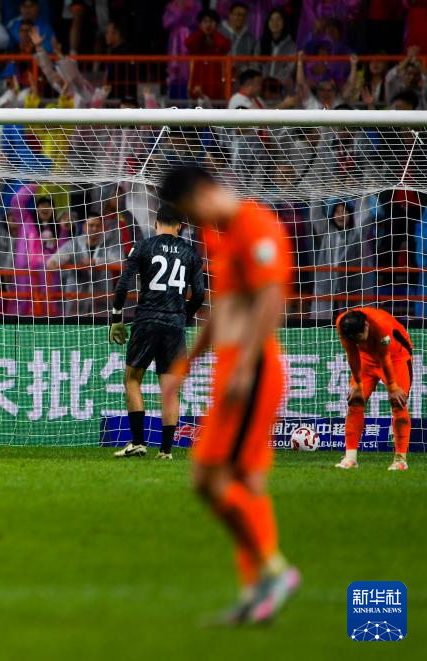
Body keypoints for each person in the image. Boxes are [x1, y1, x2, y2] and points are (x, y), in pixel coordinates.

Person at [159, 165, 300, 624]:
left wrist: (244, 366)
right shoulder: (224, 235)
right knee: (246, 483)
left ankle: (274, 570)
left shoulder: (256, 224)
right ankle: (257, 596)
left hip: (251, 369)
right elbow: (224, 309)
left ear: (203, 192)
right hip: (235, 366)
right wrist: (186, 365)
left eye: (191, 210)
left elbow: (271, 297)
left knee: (207, 478)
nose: (196, 221)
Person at [109, 206, 205, 460]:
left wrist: (116, 317)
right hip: (174, 325)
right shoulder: (191, 252)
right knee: (170, 389)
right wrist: (183, 316)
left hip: (147, 320)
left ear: (156, 224)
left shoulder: (144, 246)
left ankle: (138, 443)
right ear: (180, 226)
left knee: (132, 380)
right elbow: (200, 294)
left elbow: (123, 284)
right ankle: (166, 451)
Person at [335, 308, 413, 472]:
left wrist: (392, 387)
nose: (357, 342)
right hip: (366, 359)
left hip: (396, 356)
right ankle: (350, 458)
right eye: (354, 340)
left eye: (359, 338)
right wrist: (357, 384)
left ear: (366, 326)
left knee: (398, 403)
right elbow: (352, 352)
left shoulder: (380, 325)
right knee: (355, 401)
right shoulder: (342, 324)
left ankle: (400, 460)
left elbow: (385, 358)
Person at [186, 9, 231, 100]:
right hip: (197, 83)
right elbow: (188, 43)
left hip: (216, 83)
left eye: (211, 21)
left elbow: (224, 46)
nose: (208, 25)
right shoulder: (196, 39)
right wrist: (201, 32)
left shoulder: (221, 39)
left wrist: (214, 33)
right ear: (199, 24)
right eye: (205, 21)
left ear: (217, 25)